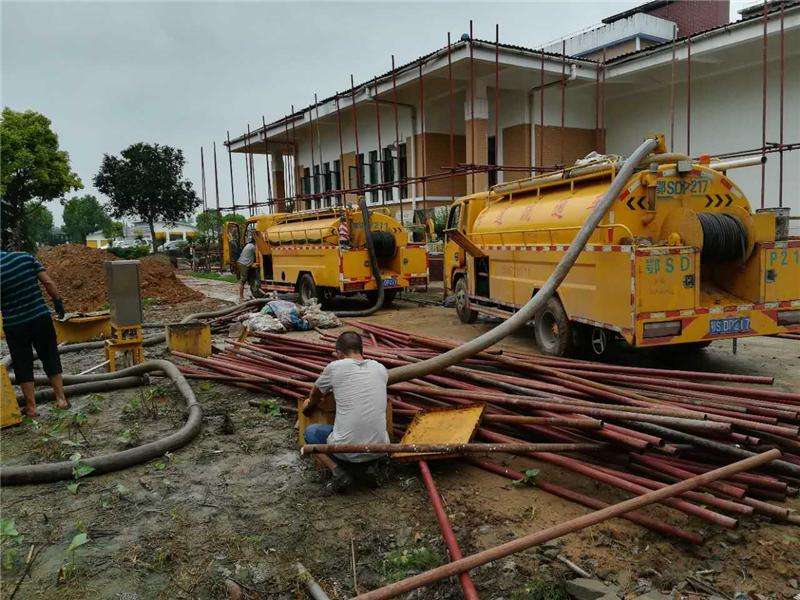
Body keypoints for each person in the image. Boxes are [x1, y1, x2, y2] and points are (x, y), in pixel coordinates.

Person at [302, 331, 389, 492]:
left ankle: (338, 472)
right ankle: (371, 467)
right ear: (362, 351)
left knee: (311, 432)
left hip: (346, 452)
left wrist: (309, 407)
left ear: (339, 354)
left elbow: (315, 393)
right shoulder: (380, 368)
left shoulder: (335, 367)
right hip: (380, 449)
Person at [0, 250, 69, 417]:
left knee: (22, 364)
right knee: (50, 355)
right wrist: (57, 301)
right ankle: (61, 399)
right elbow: (48, 283)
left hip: (15, 325)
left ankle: (31, 407)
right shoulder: (25, 257)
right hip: (40, 318)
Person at [237, 236, 257, 302]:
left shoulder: (248, 245)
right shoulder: (253, 247)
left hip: (243, 263)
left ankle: (254, 294)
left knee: (250, 279)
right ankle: (241, 297)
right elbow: (257, 255)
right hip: (244, 264)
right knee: (243, 280)